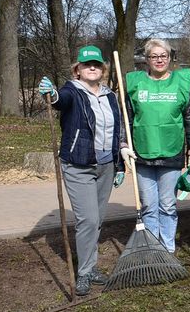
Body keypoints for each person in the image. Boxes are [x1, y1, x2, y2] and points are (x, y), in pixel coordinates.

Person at [37, 46, 124, 296]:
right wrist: (52, 94)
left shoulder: (109, 96)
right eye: (87, 65)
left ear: (103, 68)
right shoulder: (72, 91)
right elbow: (60, 101)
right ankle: (85, 272)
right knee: (88, 219)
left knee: (97, 219)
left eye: (96, 64)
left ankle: (90, 265)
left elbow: (117, 130)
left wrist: (119, 164)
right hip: (78, 164)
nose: (92, 68)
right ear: (78, 69)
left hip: (107, 164)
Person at [123, 38, 190, 253]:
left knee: (167, 205)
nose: (159, 60)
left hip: (172, 153)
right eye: (154, 56)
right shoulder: (135, 83)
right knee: (148, 206)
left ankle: (167, 249)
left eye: (163, 56)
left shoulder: (183, 83)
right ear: (146, 60)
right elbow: (127, 118)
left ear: (170, 58)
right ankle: (152, 250)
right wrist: (123, 143)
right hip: (143, 153)